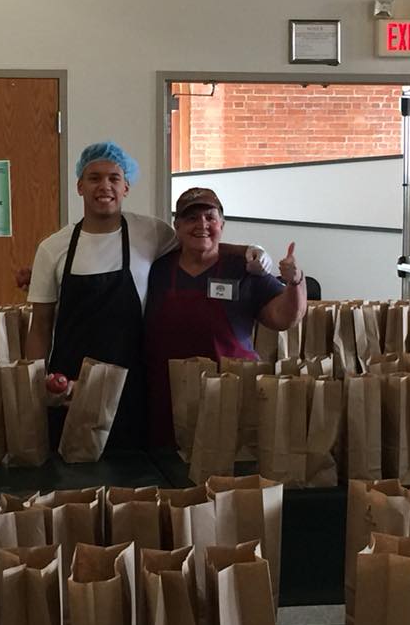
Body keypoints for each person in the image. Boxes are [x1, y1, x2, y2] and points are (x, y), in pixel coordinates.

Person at [24, 142, 271, 450]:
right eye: (94, 178)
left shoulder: (150, 233)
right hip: (72, 382)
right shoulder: (53, 248)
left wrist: (249, 250)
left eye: (114, 178)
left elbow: (199, 243)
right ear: (79, 186)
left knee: (134, 475)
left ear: (126, 186)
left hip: (134, 381)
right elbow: (41, 324)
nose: (104, 186)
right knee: (73, 473)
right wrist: (35, 385)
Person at [144, 187, 307, 447]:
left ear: (222, 223)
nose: (202, 225)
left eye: (210, 218)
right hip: (167, 397)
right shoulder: (156, 270)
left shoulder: (244, 270)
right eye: (192, 218)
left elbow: (284, 319)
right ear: (177, 226)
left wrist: (296, 281)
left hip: (230, 395)